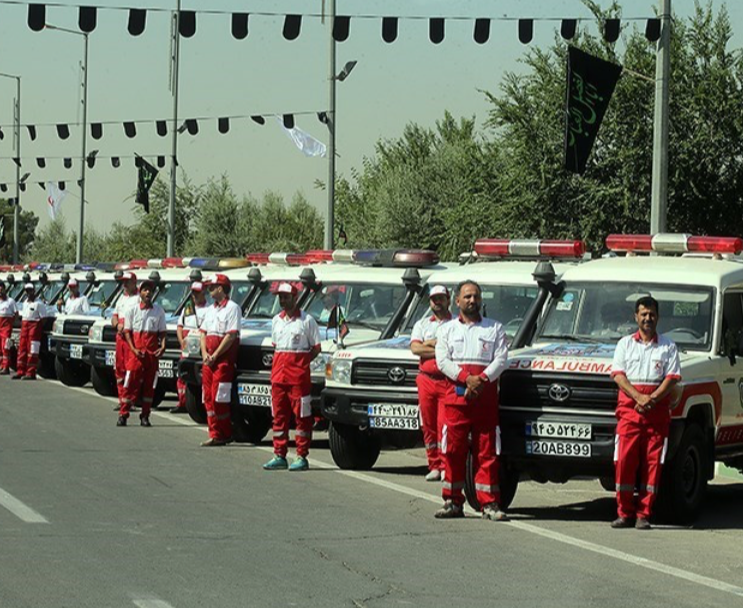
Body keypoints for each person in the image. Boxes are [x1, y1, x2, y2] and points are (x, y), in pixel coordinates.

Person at [434, 280, 509, 521]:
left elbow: (501, 359)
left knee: (487, 453)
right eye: (467, 296)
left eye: (476, 296)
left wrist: (481, 380)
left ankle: (489, 504)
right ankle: (452, 501)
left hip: (484, 403)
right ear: (457, 301)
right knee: (453, 451)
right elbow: (442, 361)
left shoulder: (495, 328)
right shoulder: (446, 330)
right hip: (456, 403)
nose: (472, 301)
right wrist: (467, 379)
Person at [610, 296, 681, 530]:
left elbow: (672, 378)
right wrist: (639, 397)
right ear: (636, 317)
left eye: (651, 314)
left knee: (653, 466)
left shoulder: (668, 346)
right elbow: (619, 376)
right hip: (629, 413)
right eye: (643, 314)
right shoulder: (624, 344)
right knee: (625, 463)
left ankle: (644, 515)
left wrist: (652, 399)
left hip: (656, 415)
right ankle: (624, 513)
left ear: (657, 317)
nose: (647, 318)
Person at [263, 282, 321, 471]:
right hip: (279, 377)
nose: (282, 300)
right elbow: (275, 346)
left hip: (298, 379)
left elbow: (316, 348)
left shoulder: (307, 321)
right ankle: (279, 454)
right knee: (278, 417)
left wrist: (301, 364)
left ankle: (301, 456)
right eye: (280, 297)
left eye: (286, 297)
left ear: (295, 298)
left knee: (302, 417)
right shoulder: (276, 320)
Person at [410, 285, 452, 481]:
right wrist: (438, 347)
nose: (437, 302)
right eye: (434, 299)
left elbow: (454, 352)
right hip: (426, 380)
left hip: (447, 381)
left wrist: (430, 344)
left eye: (441, 298)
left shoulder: (456, 323)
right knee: (428, 424)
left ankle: (446, 464)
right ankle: (433, 464)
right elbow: (416, 349)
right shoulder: (422, 324)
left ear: (448, 300)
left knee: (445, 424)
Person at [117, 279, 167, 427]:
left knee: (149, 387)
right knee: (130, 385)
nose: (148, 293)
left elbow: (162, 332)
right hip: (136, 355)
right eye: (145, 290)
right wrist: (133, 349)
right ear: (140, 292)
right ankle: (123, 414)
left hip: (151, 356)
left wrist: (163, 346)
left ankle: (145, 415)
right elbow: (127, 332)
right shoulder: (132, 310)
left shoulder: (158, 311)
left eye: (150, 290)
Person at [199, 273, 241, 447]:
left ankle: (225, 432)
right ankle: (215, 433)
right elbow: (203, 333)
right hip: (208, 361)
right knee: (207, 397)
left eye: (212, 287)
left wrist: (215, 355)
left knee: (219, 398)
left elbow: (231, 336)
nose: (209, 290)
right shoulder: (210, 310)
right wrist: (204, 354)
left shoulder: (232, 308)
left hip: (222, 361)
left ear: (221, 288)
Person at [173, 281, 208, 414]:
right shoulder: (187, 308)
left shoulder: (209, 309)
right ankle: (182, 402)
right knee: (183, 375)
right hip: (187, 346)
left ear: (203, 292)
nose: (194, 295)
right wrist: (181, 341)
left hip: (200, 346)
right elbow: (180, 326)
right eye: (193, 292)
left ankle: (201, 404)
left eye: (197, 292)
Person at [111, 272, 139, 411]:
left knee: (131, 370)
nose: (125, 285)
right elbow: (114, 316)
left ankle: (130, 400)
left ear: (134, 282)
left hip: (132, 338)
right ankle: (122, 399)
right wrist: (117, 325)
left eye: (127, 282)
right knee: (119, 369)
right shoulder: (121, 298)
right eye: (124, 282)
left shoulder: (139, 299)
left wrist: (127, 326)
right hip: (120, 338)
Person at [13, 283, 46, 380]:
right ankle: (20, 371)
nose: (28, 292)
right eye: (27, 291)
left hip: (34, 328)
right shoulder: (25, 303)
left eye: (30, 290)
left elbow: (43, 318)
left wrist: (37, 329)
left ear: (34, 291)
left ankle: (30, 372)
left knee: (32, 350)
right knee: (22, 349)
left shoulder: (39, 303)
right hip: (24, 327)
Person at [0, 280, 19, 375]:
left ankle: (6, 367)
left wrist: (11, 323)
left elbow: (16, 314)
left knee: (6, 347)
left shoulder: (10, 301)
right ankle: (1, 365)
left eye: (1, 288)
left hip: (6, 328)